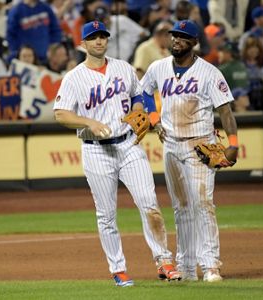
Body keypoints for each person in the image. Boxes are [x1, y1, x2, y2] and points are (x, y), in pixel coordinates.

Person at [53, 20, 182, 287]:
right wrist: (89, 122)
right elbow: (61, 113)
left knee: (150, 205)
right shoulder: (74, 78)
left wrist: (138, 113)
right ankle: (118, 269)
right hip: (96, 151)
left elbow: (139, 95)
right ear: (83, 44)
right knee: (107, 215)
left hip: (128, 144)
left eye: (103, 37)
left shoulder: (123, 68)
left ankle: (164, 262)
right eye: (93, 37)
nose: (99, 41)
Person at [141, 20, 238, 282]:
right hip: (171, 145)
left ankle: (210, 266)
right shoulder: (158, 68)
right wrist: (153, 117)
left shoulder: (209, 73)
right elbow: (144, 92)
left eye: (183, 37)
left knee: (203, 203)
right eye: (174, 35)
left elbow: (225, 110)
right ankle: (185, 266)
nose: (176, 40)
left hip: (200, 146)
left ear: (194, 43)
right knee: (181, 207)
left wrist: (234, 144)